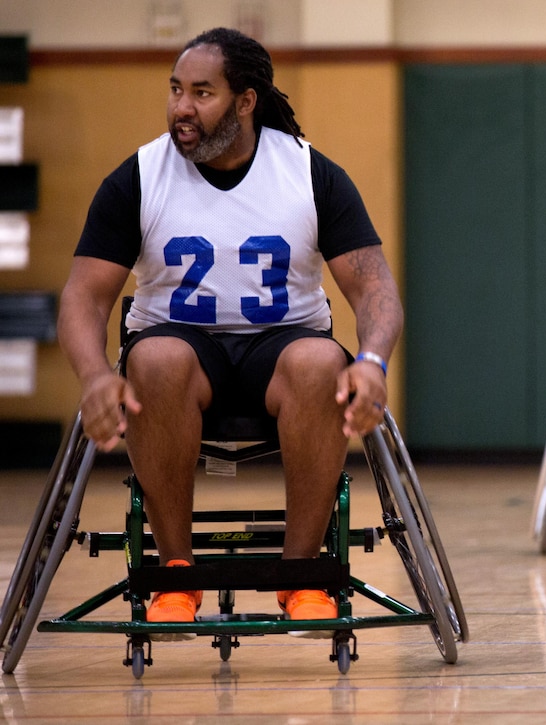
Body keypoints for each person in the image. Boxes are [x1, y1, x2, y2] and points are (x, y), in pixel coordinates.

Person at [56, 27, 403, 633]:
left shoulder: (307, 172)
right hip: (177, 352)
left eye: (201, 92)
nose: (181, 108)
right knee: (157, 359)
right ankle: (174, 573)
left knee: (323, 365)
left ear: (246, 101)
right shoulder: (140, 176)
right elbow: (84, 296)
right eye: (174, 90)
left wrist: (372, 362)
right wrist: (91, 376)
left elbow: (375, 289)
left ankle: (302, 576)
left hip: (284, 348)